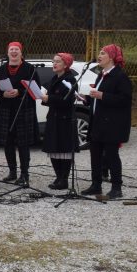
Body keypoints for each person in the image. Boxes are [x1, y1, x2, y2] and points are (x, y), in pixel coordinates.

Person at [82, 44, 132, 199]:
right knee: (95, 154)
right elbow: (99, 96)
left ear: (111, 57)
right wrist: (88, 99)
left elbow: (124, 100)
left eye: (102, 53)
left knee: (111, 156)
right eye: (99, 52)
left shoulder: (120, 76)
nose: (99, 55)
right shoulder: (101, 74)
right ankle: (96, 185)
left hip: (112, 124)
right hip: (98, 122)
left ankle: (117, 187)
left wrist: (102, 96)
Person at [0, 41, 41, 187]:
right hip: (6, 109)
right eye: (11, 50)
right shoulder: (1, 68)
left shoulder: (29, 68)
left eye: (16, 50)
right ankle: (12, 172)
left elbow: (36, 88)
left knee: (23, 143)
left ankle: (24, 174)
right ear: (7, 53)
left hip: (23, 109)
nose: (14, 52)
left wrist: (19, 91)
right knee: (8, 142)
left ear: (21, 52)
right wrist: (3, 94)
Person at [40, 53, 78, 190]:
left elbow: (67, 100)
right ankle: (58, 177)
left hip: (64, 120)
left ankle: (64, 179)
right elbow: (50, 96)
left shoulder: (70, 80)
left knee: (64, 150)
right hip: (53, 118)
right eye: (53, 61)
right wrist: (45, 98)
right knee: (53, 149)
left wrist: (48, 99)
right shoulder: (54, 78)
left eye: (58, 62)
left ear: (66, 65)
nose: (54, 64)